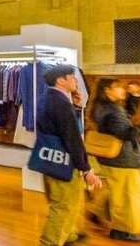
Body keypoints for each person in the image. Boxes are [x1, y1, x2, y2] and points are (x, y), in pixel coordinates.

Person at [37, 64, 102, 246]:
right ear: (61, 80)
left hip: (49, 158)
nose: (75, 80)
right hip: (63, 161)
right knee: (64, 205)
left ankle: (69, 234)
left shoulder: (47, 98)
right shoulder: (59, 102)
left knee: (61, 201)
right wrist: (86, 169)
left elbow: (59, 127)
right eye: (72, 77)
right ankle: (49, 242)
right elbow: (72, 138)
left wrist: (75, 108)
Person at [87, 78, 140, 242]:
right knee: (126, 196)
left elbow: (125, 115)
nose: (123, 90)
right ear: (107, 91)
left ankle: (96, 212)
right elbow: (125, 133)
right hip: (121, 158)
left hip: (111, 157)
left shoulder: (103, 107)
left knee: (114, 189)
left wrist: (134, 96)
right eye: (119, 88)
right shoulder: (112, 111)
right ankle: (121, 230)